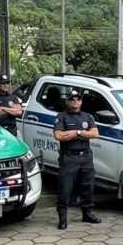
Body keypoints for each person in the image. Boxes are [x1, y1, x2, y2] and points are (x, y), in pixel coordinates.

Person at [53, 89, 101, 230]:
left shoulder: (87, 116)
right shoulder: (62, 117)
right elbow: (59, 136)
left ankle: (87, 213)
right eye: (72, 99)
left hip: (85, 156)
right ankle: (62, 218)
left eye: (78, 99)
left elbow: (95, 134)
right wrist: (83, 134)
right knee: (65, 188)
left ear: (81, 101)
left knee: (88, 186)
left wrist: (76, 132)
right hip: (69, 157)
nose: (75, 101)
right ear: (67, 101)